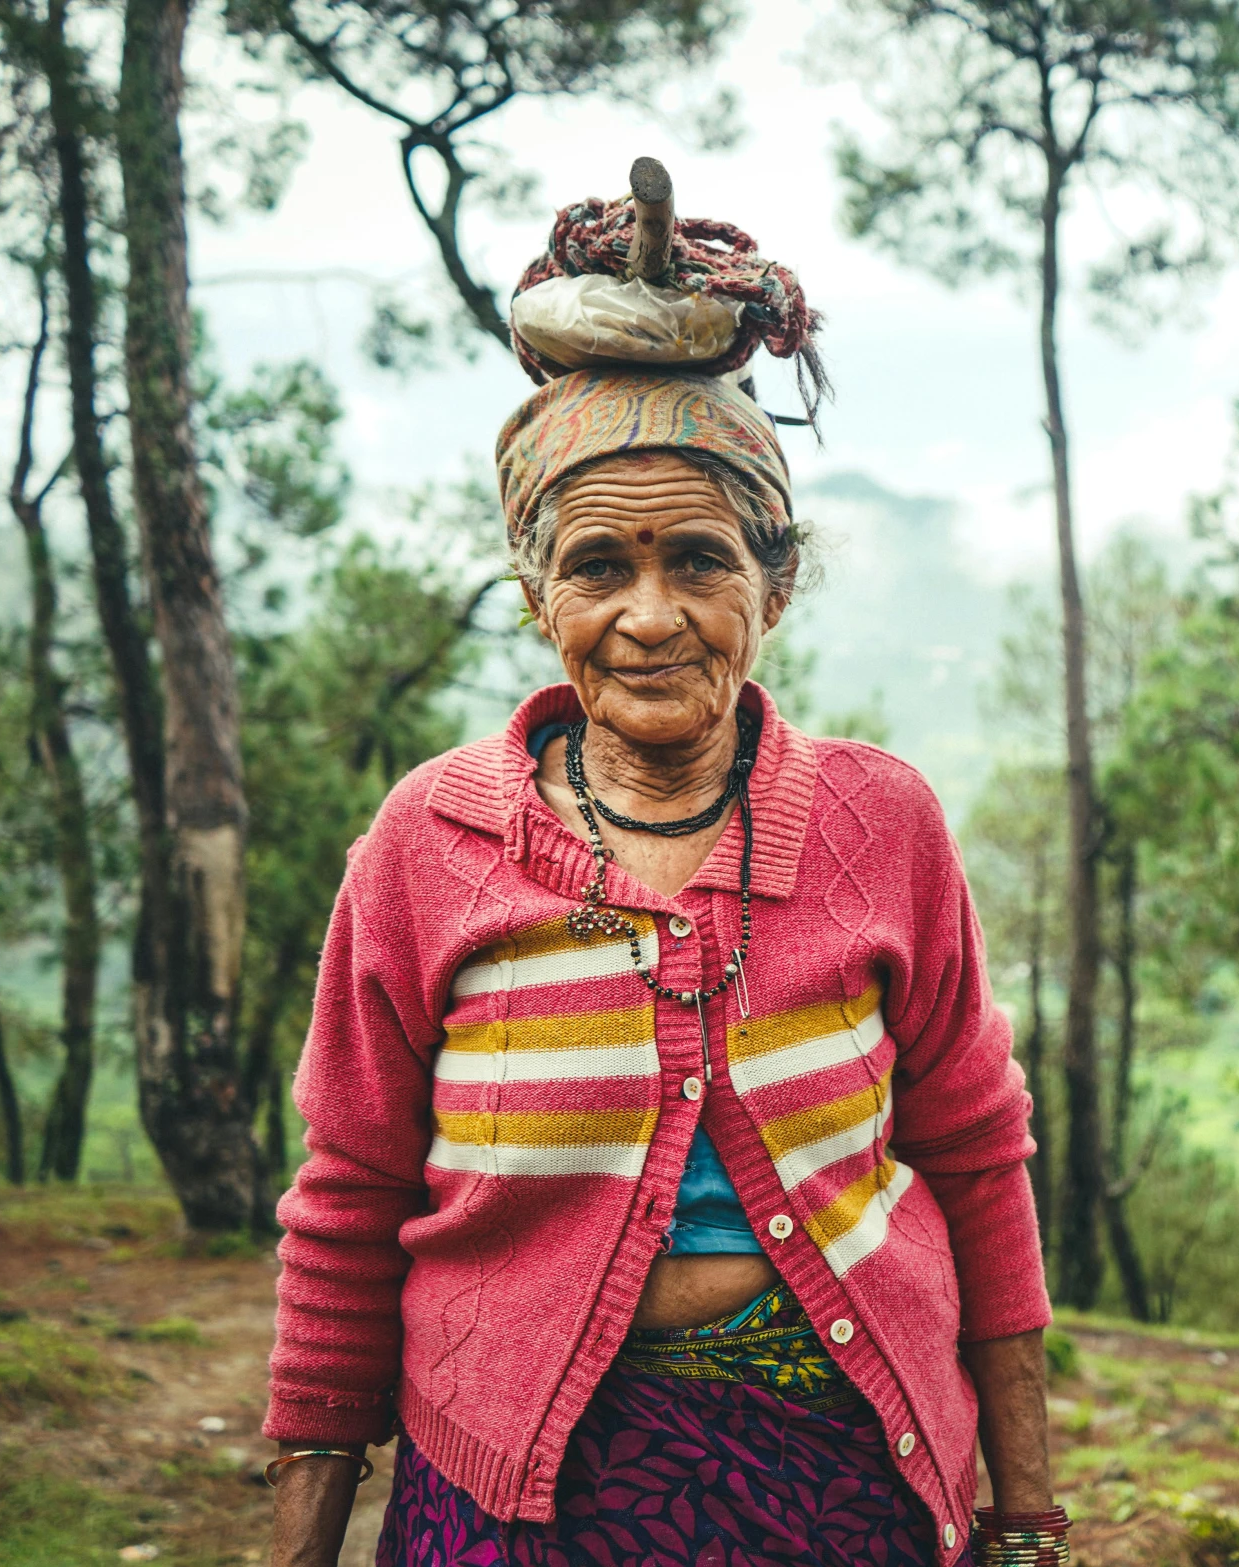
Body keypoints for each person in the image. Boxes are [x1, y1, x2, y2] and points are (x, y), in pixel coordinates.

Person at [262, 178, 1069, 1567]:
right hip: (513, 1492)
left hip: (838, 1481)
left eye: (698, 558)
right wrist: (299, 1547)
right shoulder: (429, 841)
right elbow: (349, 1195)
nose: (650, 616)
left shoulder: (883, 824)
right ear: (537, 594)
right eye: (598, 566)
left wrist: (1029, 1516)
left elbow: (977, 1159)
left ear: (776, 583)